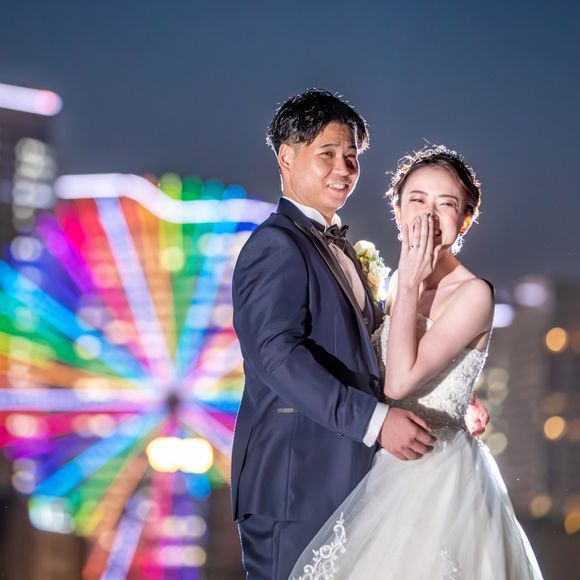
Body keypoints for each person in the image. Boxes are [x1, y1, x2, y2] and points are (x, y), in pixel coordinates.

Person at [231, 91, 486, 580]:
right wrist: (375, 421)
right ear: (286, 157)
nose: (343, 169)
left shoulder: (342, 248)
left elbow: (373, 351)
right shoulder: (276, 244)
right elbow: (276, 355)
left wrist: (449, 390)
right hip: (295, 485)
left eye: (351, 156)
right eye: (326, 153)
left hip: (356, 483)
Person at [290, 145, 544, 579]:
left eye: (446, 204)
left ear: (465, 220)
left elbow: (398, 383)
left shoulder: (474, 293)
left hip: (439, 473)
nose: (429, 215)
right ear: (398, 211)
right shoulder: (395, 285)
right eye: (417, 200)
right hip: (383, 464)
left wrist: (407, 283)